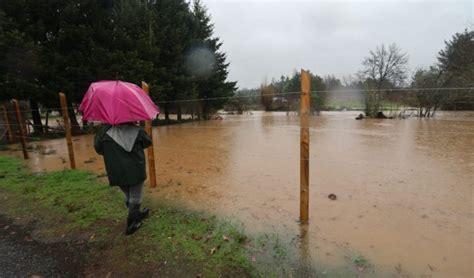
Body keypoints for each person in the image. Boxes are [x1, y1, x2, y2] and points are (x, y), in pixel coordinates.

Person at [94, 122, 152, 235]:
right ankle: (132, 223)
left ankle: (136, 213)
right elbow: (147, 142)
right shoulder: (137, 131)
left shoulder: (104, 132)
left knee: (128, 194)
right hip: (135, 169)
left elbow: (99, 149)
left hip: (115, 170)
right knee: (135, 196)